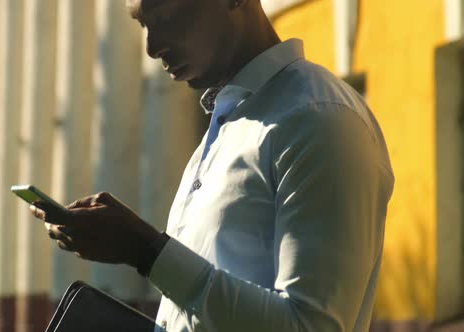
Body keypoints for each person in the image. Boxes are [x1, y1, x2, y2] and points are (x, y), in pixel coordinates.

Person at [30, 0, 395, 331]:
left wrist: (145, 250)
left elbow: (310, 326)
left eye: (168, 17)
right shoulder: (230, 122)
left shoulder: (318, 120)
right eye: (143, 24)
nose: (152, 47)